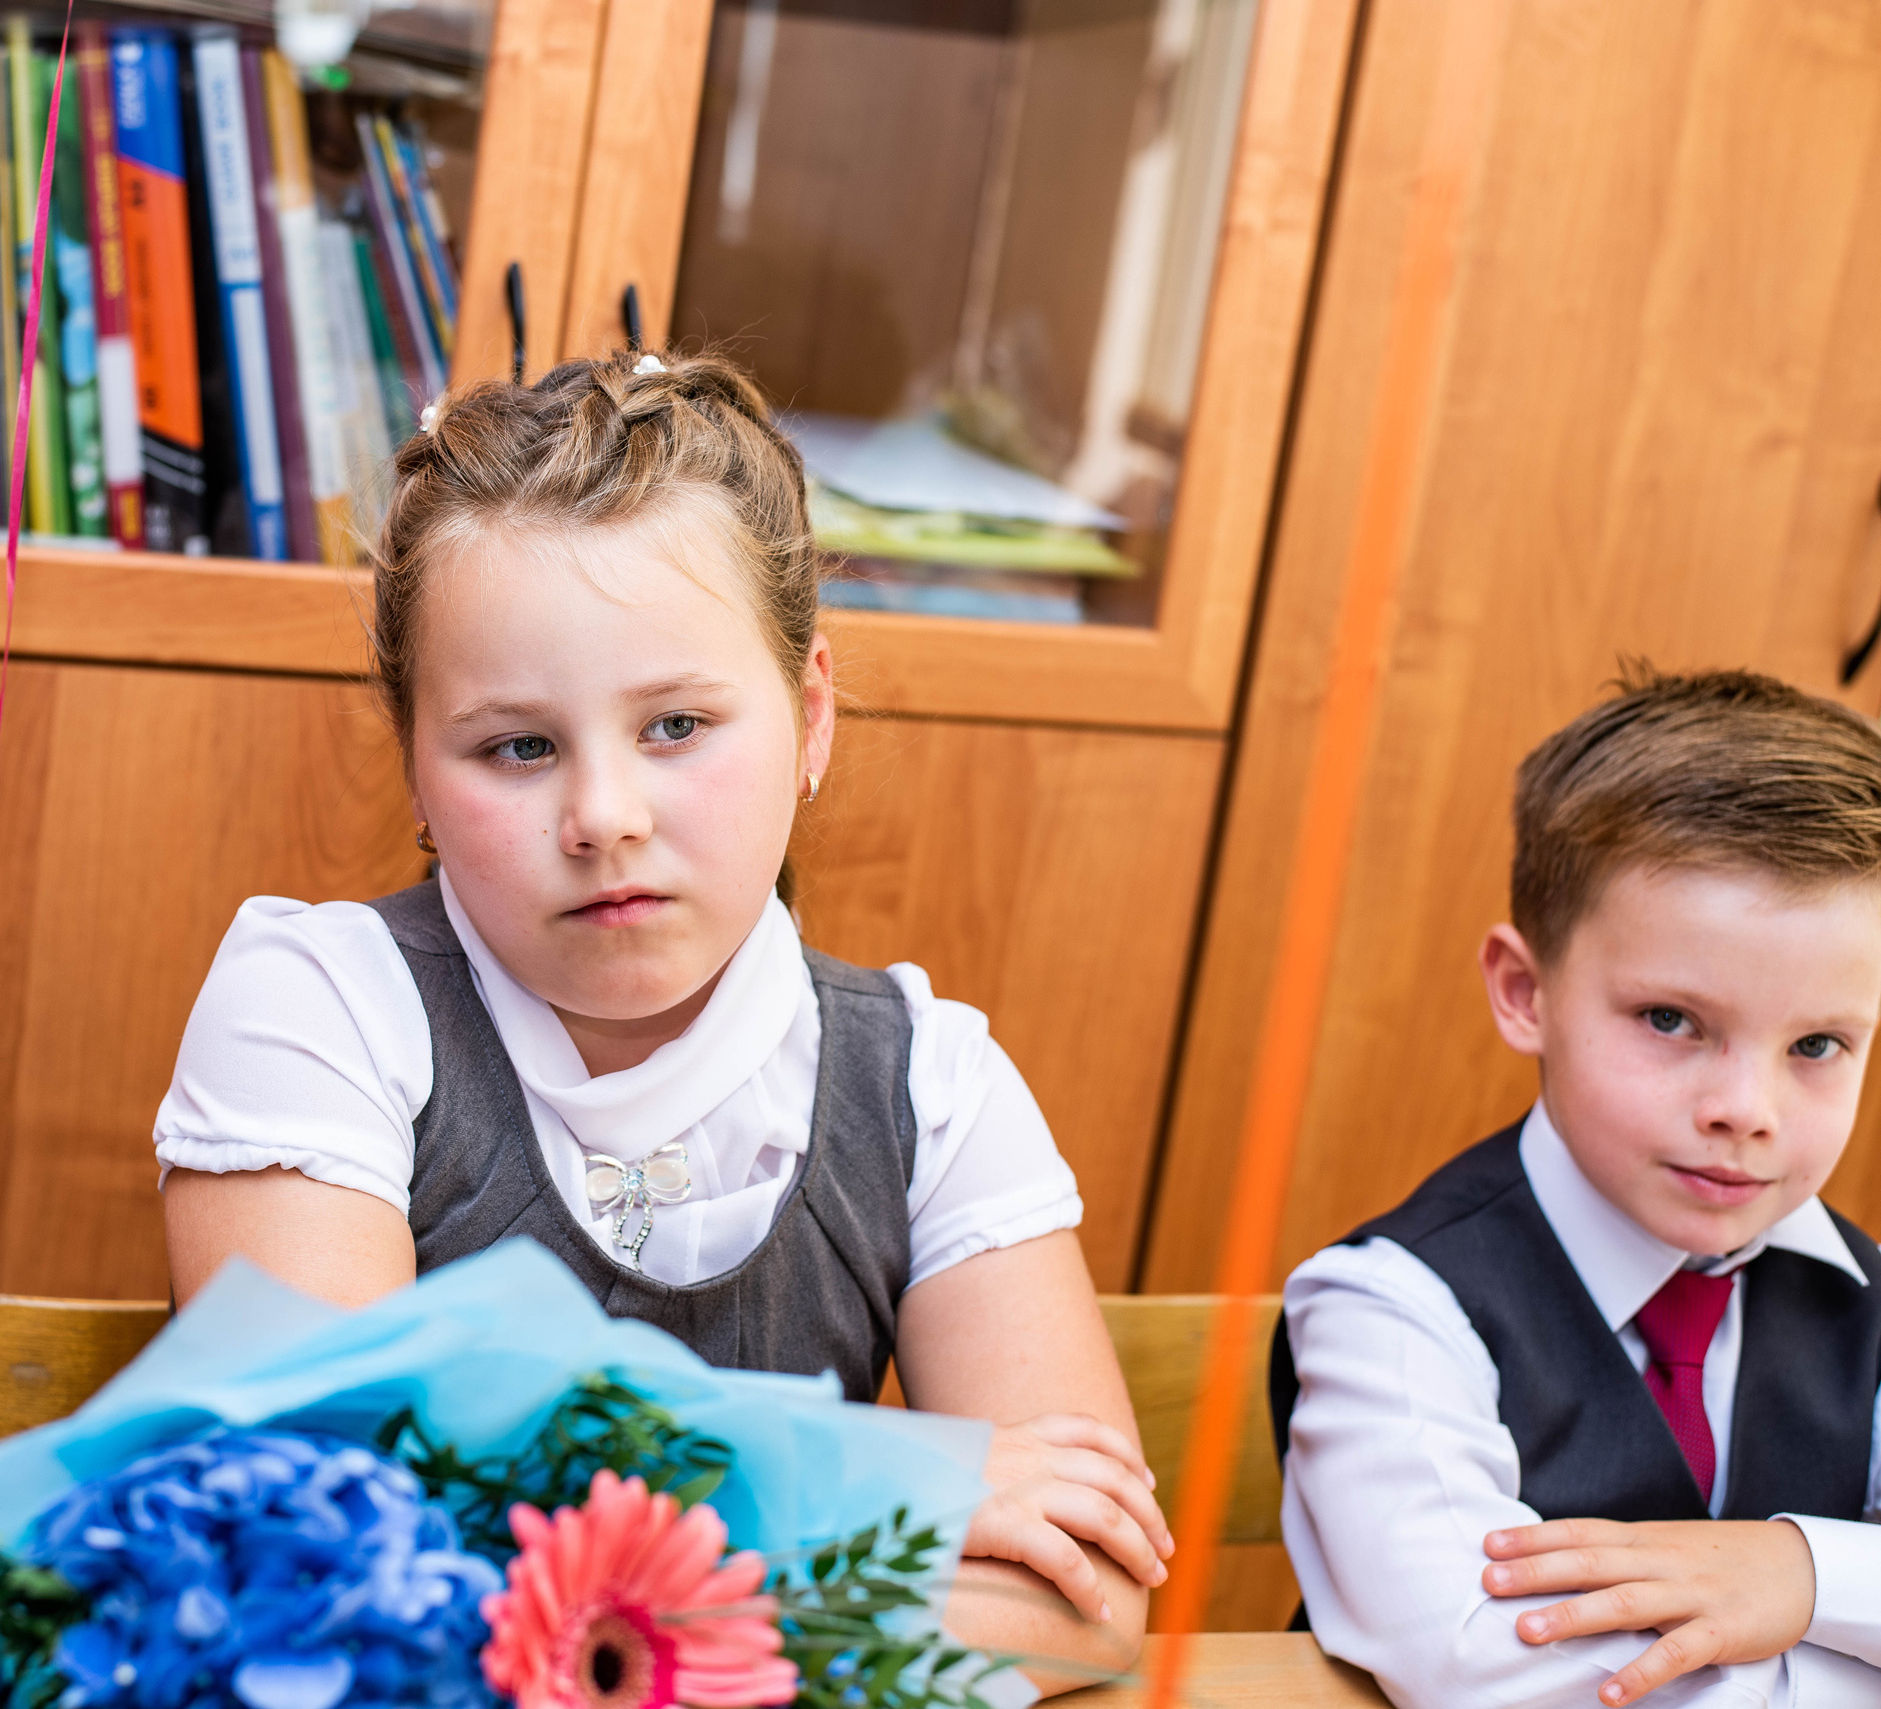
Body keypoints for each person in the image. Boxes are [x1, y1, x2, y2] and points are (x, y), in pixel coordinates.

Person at [151, 349, 1170, 1691]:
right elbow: (339, 1537)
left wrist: (615, 1614)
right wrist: (875, 1485)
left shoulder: (932, 1082)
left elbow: (1083, 1590)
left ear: (810, 717)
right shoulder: (321, 1007)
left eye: (677, 724)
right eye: (518, 746)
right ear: (414, 765)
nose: (604, 816)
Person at [1274, 668, 1881, 1707]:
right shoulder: (1390, 1308)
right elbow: (1475, 1664)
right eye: (1670, 1020)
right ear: (1526, 992)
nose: (1746, 1109)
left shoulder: (1868, 1300)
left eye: (1818, 1043)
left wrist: (1805, 1572)